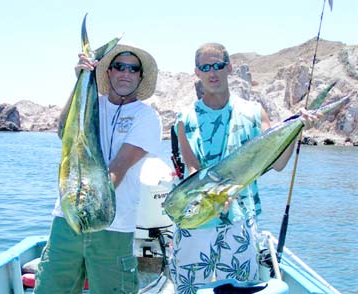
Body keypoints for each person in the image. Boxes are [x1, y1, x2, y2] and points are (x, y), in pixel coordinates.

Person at [169, 42, 318, 293]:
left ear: (229, 68)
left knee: (238, 291)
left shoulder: (253, 112)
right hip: (196, 223)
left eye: (217, 65)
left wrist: (298, 127)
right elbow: (194, 171)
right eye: (205, 67)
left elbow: (279, 164)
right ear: (197, 72)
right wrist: (214, 200)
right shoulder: (185, 118)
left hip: (240, 222)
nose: (212, 73)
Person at [34, 43, 162, 293]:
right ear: (108, 72)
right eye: (119, 66)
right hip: (67, 220)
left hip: (112, 225)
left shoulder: (146, 117)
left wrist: (88, 205)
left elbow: (119, 167)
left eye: (133, 69)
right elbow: (64, 132)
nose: (126, 73)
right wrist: (81, 79)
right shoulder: (92, 102)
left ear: (140, 76)